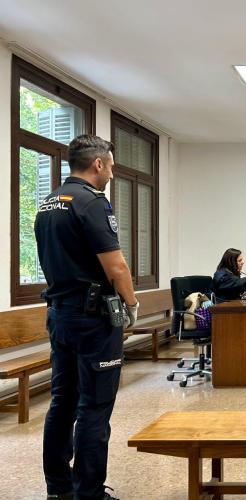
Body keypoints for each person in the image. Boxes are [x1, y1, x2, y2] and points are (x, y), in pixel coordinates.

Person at [35, 134, 138, 500]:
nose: (111, 173)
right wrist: (131, 305)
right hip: (93, 320)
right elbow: (116, 266)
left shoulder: (49, 203)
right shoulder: (92, 202)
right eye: (110, 166)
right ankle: (89, 493)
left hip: (60, 315)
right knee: (94, 406)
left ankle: (58, 488)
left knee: (62, 402)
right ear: (98, 164)